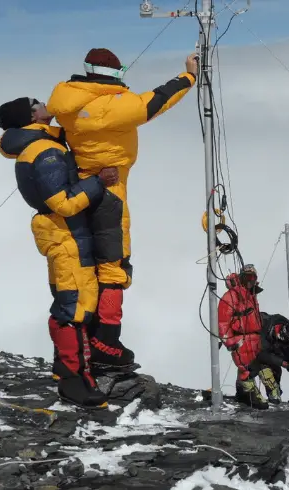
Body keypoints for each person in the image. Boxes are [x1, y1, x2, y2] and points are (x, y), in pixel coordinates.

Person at [45, 48, 198, 370]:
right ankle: (107, 341)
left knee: (85, 262)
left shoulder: (65, 99)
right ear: (115, 74)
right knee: (114, 264)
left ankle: (84, 336)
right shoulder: (113, 105)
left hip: (79, 185)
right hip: (110, 190)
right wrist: (189, 76)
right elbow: (155, 101)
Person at [0, 96, 119, 409]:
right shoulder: (45, 150)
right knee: (73, 306)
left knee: (72, 299)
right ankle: (73, 382)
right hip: (66, 233)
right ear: (31, 116)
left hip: (64, 233)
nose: (44, 103)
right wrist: (98, 182)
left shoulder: (39, 144)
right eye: (37, 102)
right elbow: (62, 202)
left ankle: (64, 370)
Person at [218, 264, 269, 409]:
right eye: (247, 276)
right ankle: (250, 397)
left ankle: (243, 394)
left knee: (256, 366)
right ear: (241, 277)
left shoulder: (250, 294)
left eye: (253, 277)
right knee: (245, 368)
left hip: (254, 337)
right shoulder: (231, 296)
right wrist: (229, 341)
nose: (250, 280)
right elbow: (223, 322)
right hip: (240, 338)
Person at [246, 312, 289, 404]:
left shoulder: (287, 339)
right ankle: (249, 396)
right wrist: (283, 363)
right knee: (254, 371)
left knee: (274, 373)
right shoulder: (262, 324)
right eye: (280, 337)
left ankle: (274, 395)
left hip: (271, 357)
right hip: (253, 354)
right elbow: (261, 354)